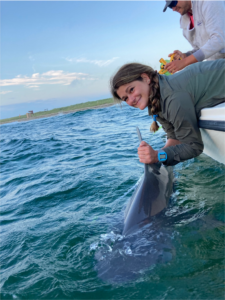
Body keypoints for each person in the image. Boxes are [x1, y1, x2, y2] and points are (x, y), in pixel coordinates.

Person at [110, 60, 225, 166]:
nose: (131, 100)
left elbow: (194, 147)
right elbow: (174, 136)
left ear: (146, 78)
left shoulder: (173, 98)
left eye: (131, 90)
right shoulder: (156, 98)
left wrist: (157, 156)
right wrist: (157, 154)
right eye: (125, 99)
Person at [162, 0, 225, 74]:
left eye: (174, 3)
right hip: (217, 67)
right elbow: (201, 48)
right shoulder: (183, 21)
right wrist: (185, 56)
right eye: (170, 6)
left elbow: (219, 39)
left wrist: (185, 62)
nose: (173, 9)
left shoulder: (209, 2)